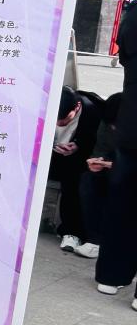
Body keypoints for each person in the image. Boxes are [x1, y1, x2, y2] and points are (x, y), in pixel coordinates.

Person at [95, 0, 137, 308]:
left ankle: (111, 275)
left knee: (122, 202)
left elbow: (124, 56)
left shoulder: (133, 16)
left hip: (131, 126)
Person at [49, 86, 102, 254]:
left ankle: (72, 232)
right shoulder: (47, 103)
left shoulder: (92, 111)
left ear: (77, 107)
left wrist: (78, 146)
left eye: (65, 120)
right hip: (49, 156)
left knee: (74, 179)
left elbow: (94, 142)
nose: (59, 124)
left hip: (76, 159)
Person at [76, 93, 122, 259]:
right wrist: (97, 162)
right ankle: (94, 240)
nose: (113, 128)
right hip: (114, 168)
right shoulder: (107, 121)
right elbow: (101, 148)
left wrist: (113, 165)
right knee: (89, 180)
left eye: (117, 124)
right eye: (110, 125)